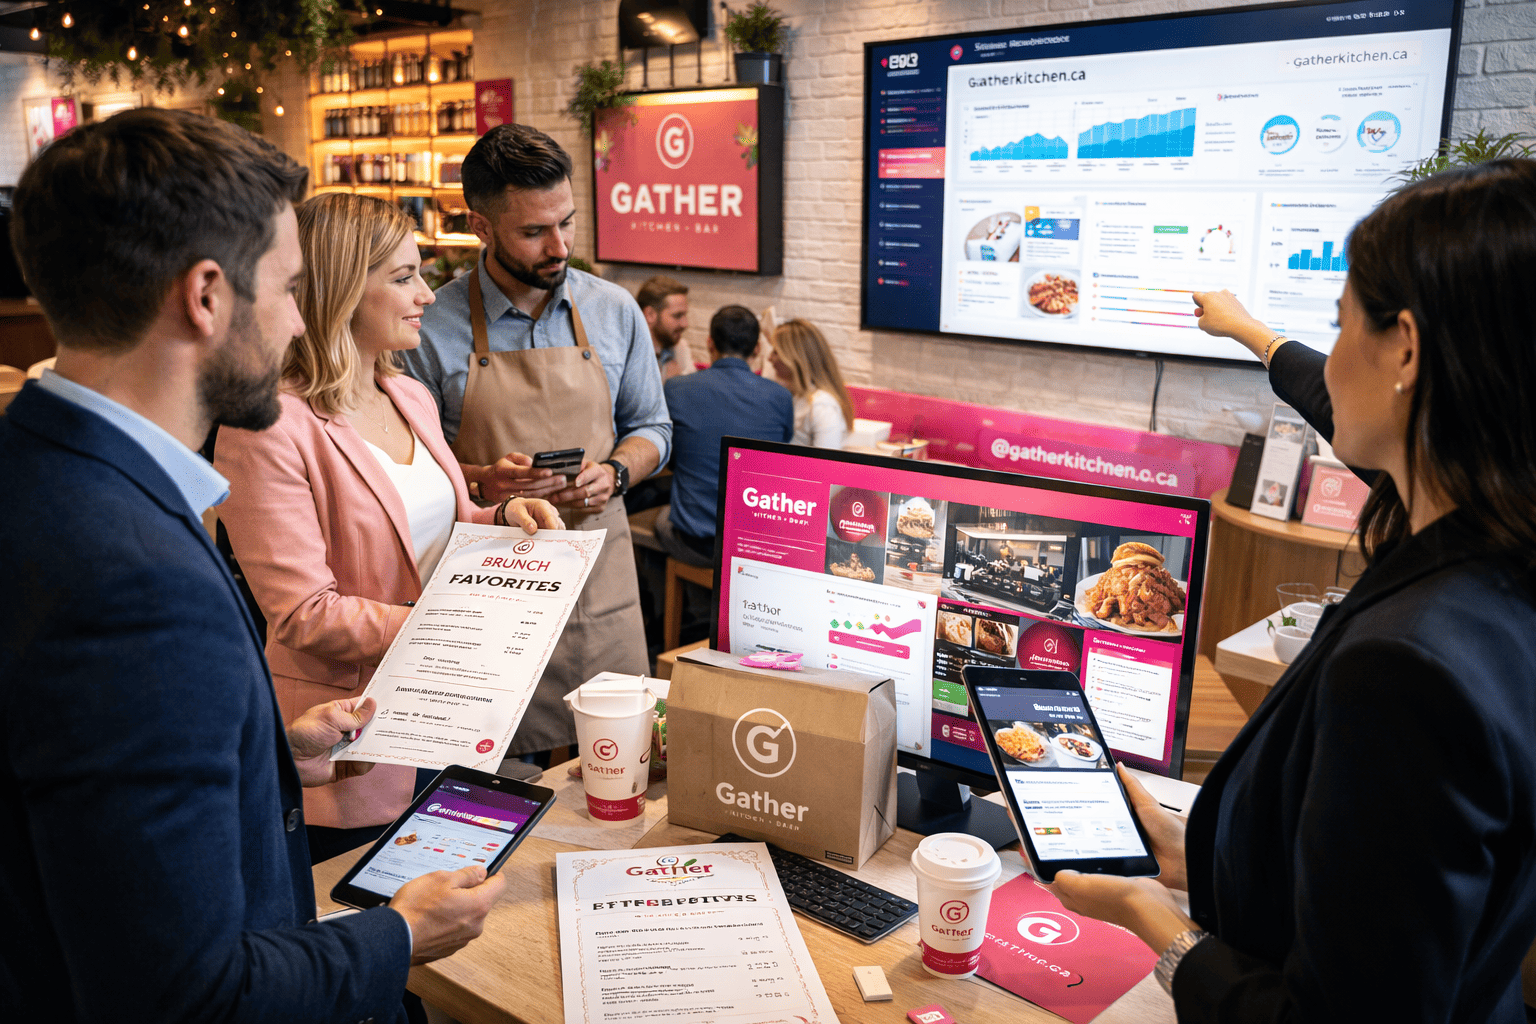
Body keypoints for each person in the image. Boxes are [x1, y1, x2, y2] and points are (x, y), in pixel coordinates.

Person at [0, 108, 504, 1022]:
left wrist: (270, 755)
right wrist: (398, 936)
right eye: (291, 287)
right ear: (206, 296)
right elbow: (183, 991)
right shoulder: (132, 584)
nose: (299, 319)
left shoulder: (42, 470)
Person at [1050, 159, 1536, 1023]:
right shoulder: (1502, 552)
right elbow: (1394, 916)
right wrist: (1201, 856)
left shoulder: (1408, 668)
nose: (1331, 349)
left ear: (1408, 350)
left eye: (1340, 320)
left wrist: (1154, 922)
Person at [215, 193, 562, 863]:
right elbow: (304, 615)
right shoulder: (266, 426)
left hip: (450, 716)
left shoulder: (408, 394)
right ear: (342, 289)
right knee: (368, 939)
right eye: (404, 277)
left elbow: (442, 533)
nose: (428, 294)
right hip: (348, 741)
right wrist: (452, 623)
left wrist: (502, 521)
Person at [400, 123, 669, 760]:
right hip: (490, 586)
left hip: (600, 574)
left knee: (623, 760)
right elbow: (404, 472)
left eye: (568, 223)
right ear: (481, 227)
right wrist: (478, 478)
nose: (559, 247)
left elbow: (653, 429)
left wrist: (619, 472)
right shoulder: (428, 326)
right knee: (499, 777)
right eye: (533, 232)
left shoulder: (613, 310)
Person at [655, 305, 794, 568]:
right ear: (757, 350)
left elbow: (670, 458)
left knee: (662, 519)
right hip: (757, 545)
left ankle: (683, 606)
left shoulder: (675, 389)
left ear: (710, 344)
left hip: (697, 541)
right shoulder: (780, 397)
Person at [768, 318, 855, 450]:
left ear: (794, 357)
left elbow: (825, 464)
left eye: (776, 352)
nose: (769, 358)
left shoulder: (821, 406)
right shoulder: (795, 396)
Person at [637, 274, 692, 380]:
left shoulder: (680, 348)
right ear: (650, 314)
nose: (685, 324)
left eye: (685, 315)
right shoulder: (628, 356)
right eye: (677, 315)